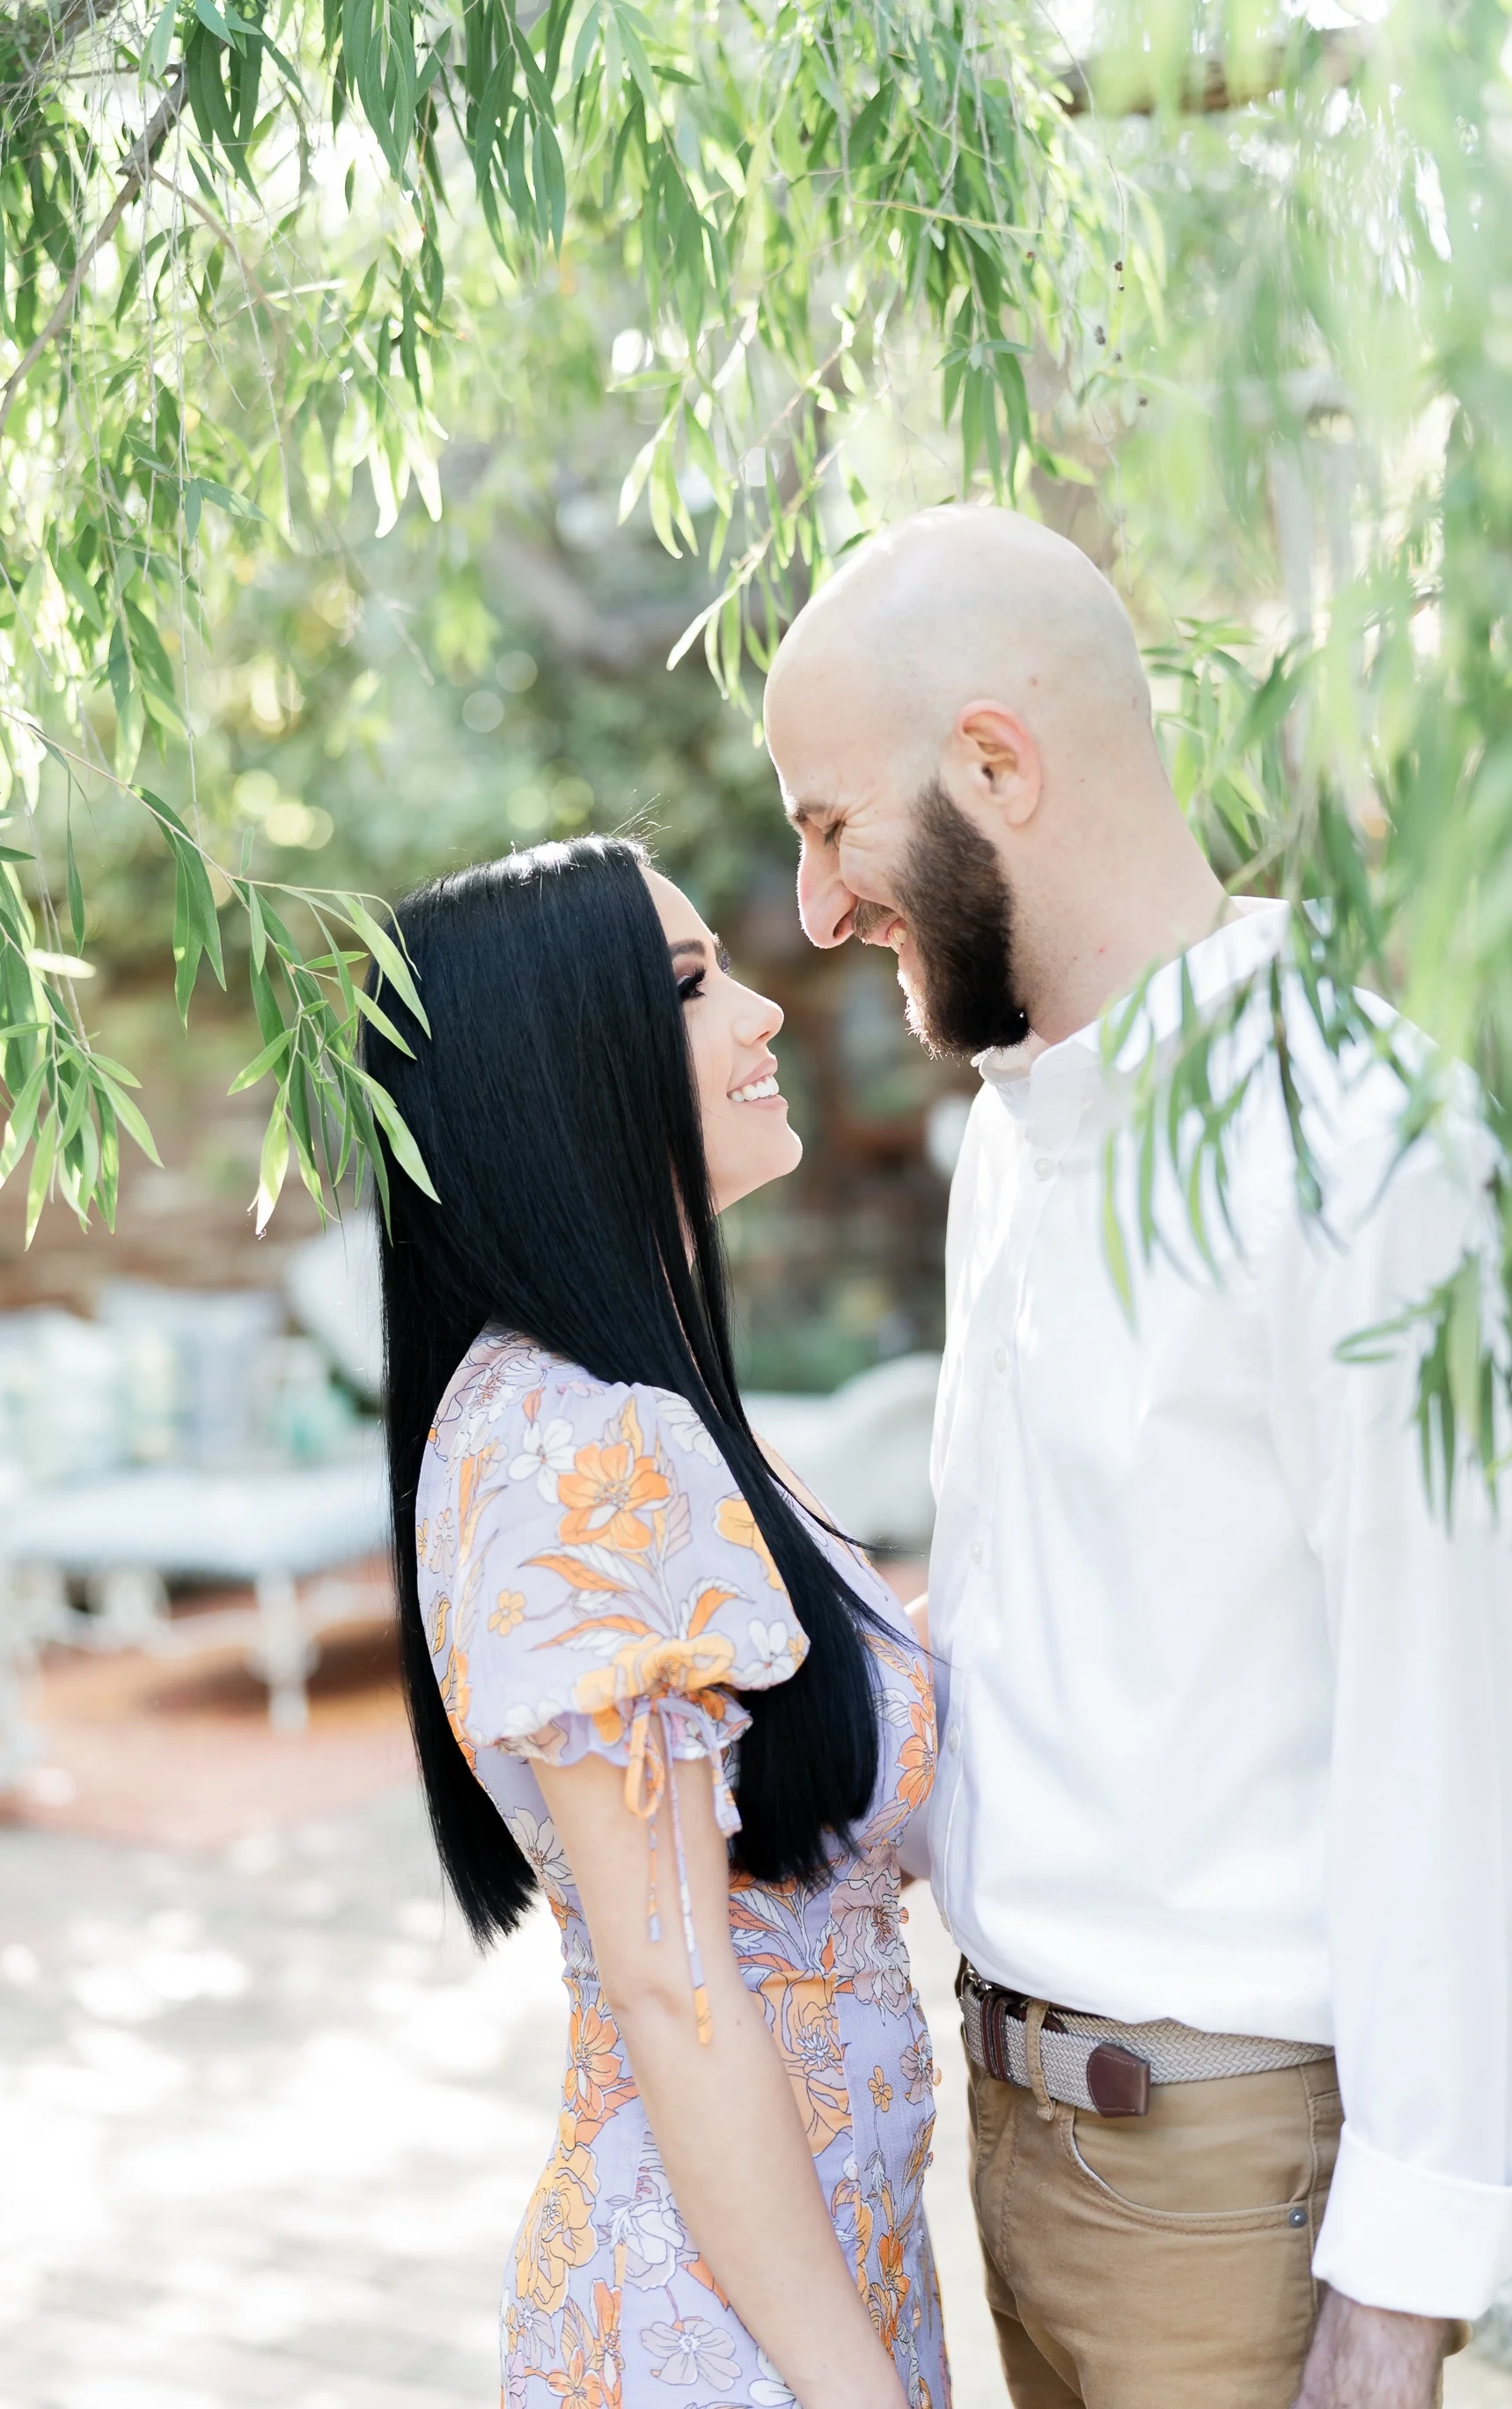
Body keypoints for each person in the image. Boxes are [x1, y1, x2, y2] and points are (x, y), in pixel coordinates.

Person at [763, 506, 1512, 2409]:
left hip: (1232, 2190)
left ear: (993, 765)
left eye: (826, 827)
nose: (813, 912)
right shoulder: (1010, 1147)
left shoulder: (1364, 1152)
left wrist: (1388, 2313)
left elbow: (1469, 1742)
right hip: (1015, 2137)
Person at [363, 838, 949, 2409]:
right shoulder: (580, 1450)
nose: (762, 1015)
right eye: (691, 988)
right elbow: (677, 1996)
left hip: (795, 2267)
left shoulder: (622, 1411)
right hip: (732, 2326)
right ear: (561, 1069)